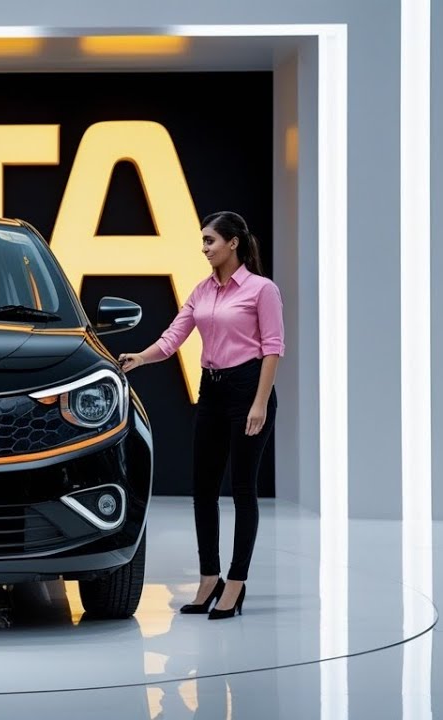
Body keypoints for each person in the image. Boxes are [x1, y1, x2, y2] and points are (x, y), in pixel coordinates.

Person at [117, 211, 284, 620]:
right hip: (211, 391)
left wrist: (260, 402)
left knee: (242, 489)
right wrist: (140, 357)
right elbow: (172, 338)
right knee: (204, 490)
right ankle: (210, 578)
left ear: (233, 243)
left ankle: (236, 582)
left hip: (248, 389)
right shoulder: (202, 290)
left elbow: (273, 348)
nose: (204, 248)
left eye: (210, 240)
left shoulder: (262, 289)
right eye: (203, 241)